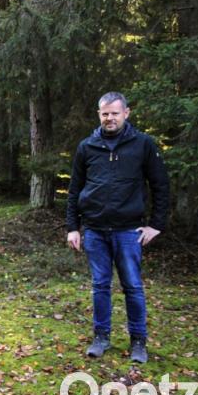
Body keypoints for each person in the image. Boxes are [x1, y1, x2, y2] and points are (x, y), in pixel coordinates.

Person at [66, 92, 170, 363]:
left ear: (126, 113)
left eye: (114, 113)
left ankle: (138, 342)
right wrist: (73, 227)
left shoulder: (143, 144)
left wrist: (156, 225)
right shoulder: (87, 146)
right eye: (105, 114)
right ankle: (101, 337)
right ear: (99, 115)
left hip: (128, 231)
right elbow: (75, 188)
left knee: (133, 286)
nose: (109, 118)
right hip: (95, 230)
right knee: (100, 285)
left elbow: (160, 185)